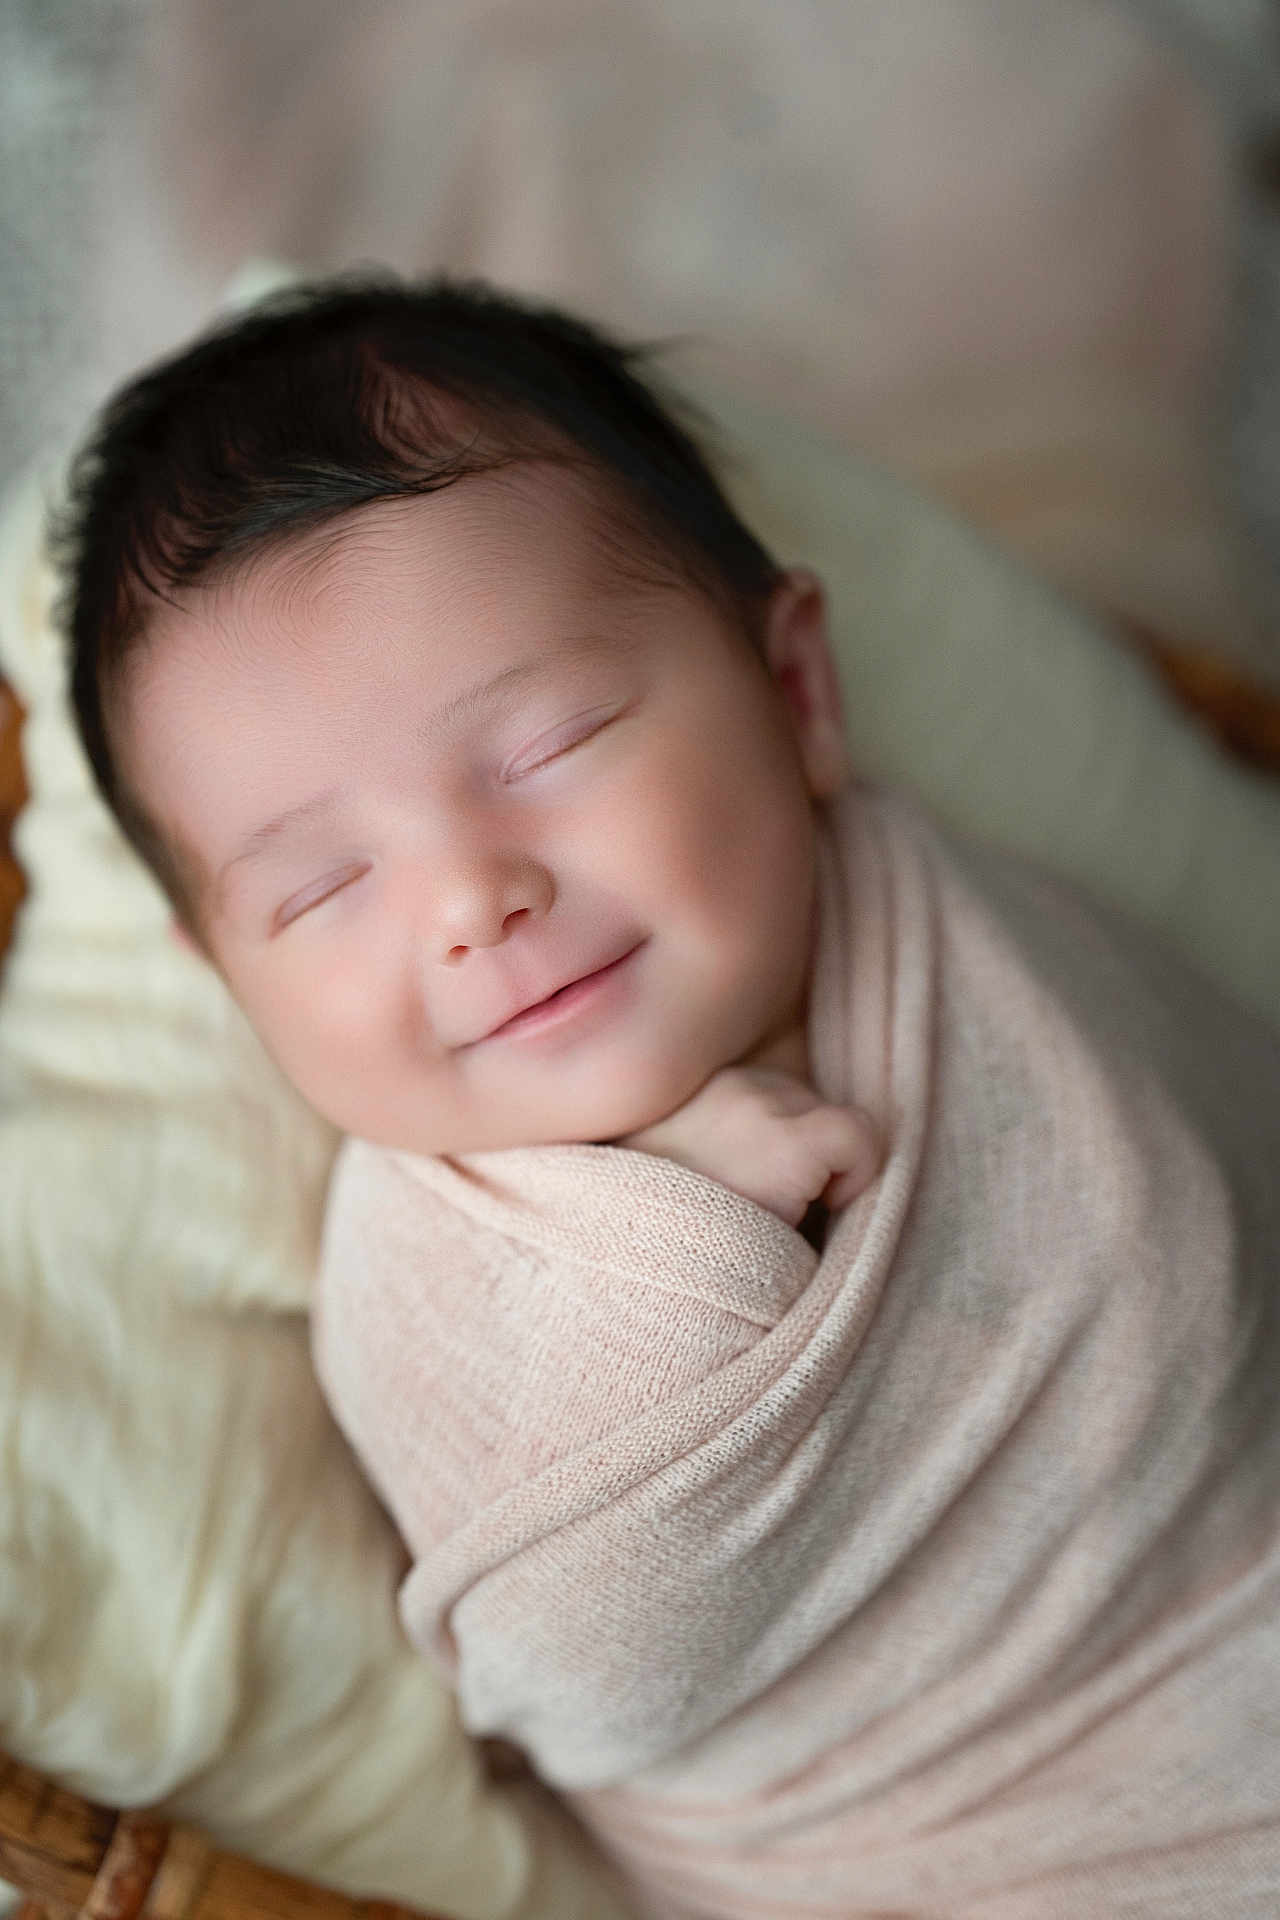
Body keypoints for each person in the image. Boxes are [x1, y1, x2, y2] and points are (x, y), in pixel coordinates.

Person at [60, 276, 1280, 1919]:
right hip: (1000, 1859)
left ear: (796, 696)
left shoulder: (927, 906)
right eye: (322, 884)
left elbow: (1194, 1132)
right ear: (232, 986)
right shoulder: (421, 1265)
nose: (467, 896)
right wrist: (692, 1235)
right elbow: (583, 1660)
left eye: (549, 744)